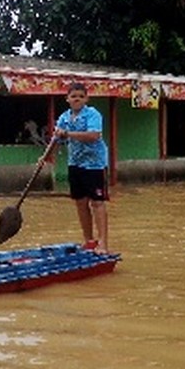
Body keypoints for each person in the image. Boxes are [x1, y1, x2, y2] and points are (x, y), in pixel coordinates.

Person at [50, 82, 110, 253]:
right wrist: (45, 157)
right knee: (80, 202)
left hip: (95, 165)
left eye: (81, 96)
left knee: (97, 203)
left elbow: (93, 135)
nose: (77, 99)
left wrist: (67, 134)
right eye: (73, 96)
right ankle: (89, 241)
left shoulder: (92, 114)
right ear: (67, 99)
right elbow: (56, 139)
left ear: (86, 99)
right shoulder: (64, 117)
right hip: (75, 164)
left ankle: (103, 243)